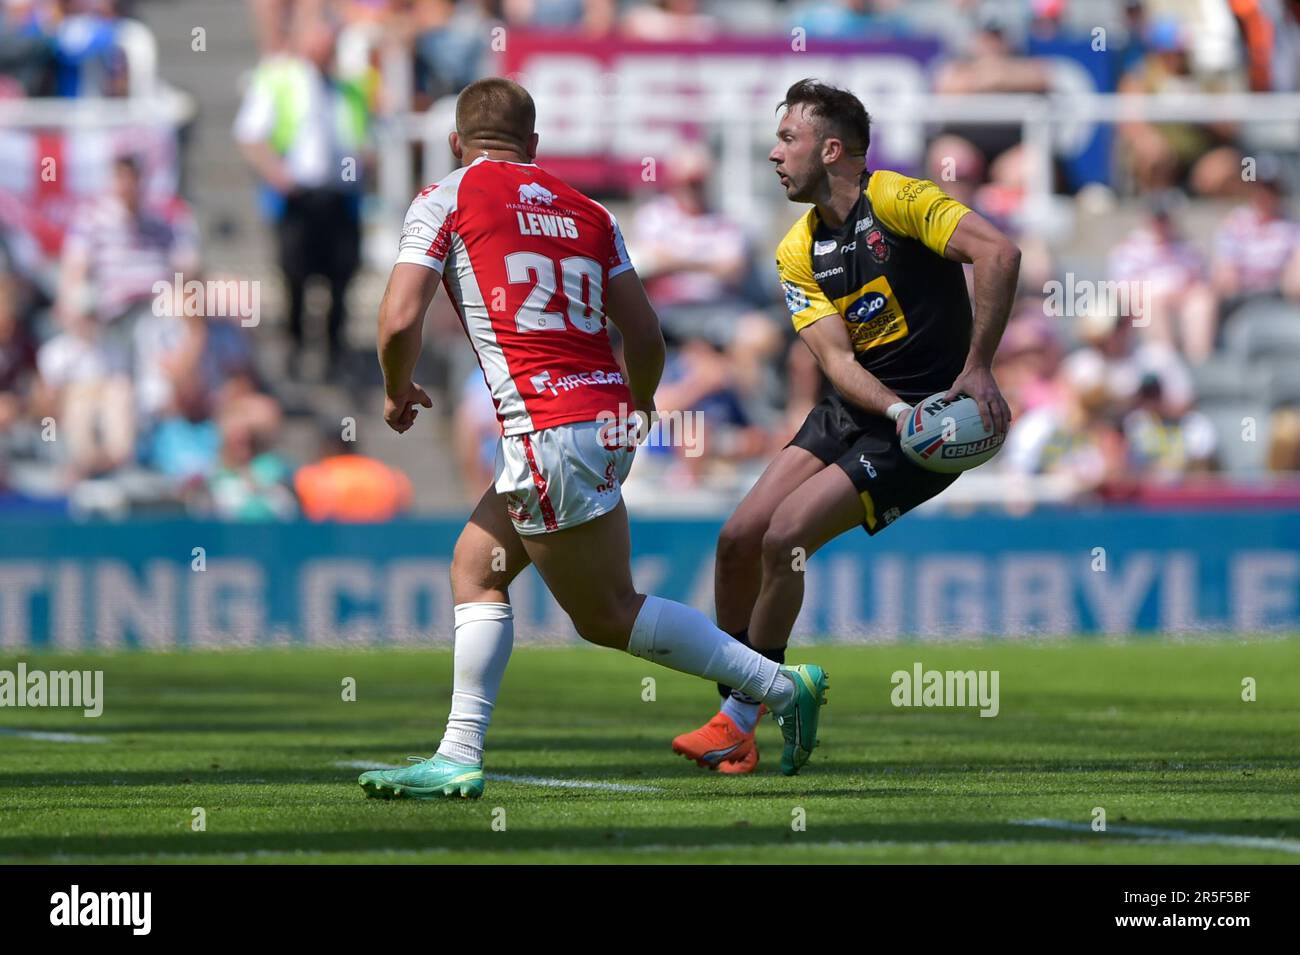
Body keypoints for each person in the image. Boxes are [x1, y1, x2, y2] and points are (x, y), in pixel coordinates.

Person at [359, 77, 828, 801]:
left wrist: (395, 388)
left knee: (607, 614)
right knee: (476, 566)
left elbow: (395, 322)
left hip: (544, 425)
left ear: (457, 144)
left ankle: (777, 685)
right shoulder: (589, 211)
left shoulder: (445, 196)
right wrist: (637, 410)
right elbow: (643, 331)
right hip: (600, 416)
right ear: (535, 146)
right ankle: (457, 752)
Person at [670, 79, 1019, 774]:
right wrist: (893, 410)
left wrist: (978, 369)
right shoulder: (796, 248)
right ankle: (747, 697)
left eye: (787, 139)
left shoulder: (899, 200)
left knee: (784, 536)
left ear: (833, 151)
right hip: (872, 409)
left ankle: (741, 717)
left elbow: (999, 254)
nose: (774, 154)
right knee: (737, 538)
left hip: (934, 424)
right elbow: (833, 357)